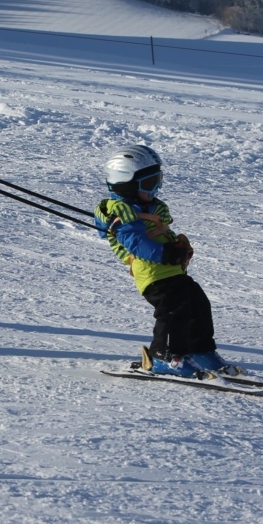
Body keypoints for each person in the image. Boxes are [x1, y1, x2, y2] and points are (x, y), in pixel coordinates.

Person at [93, 145, 239, 378]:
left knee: (198, 303)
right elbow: (136, 242)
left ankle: (200, 350)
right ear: (126, 184)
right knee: (173, 311)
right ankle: (165, 357)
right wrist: (166, 253)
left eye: (158, 180)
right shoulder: (122, 212)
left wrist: (178, 247)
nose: (156, 188)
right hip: (152, 274)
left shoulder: (147, 207)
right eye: (149, 183)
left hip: (171, 271)